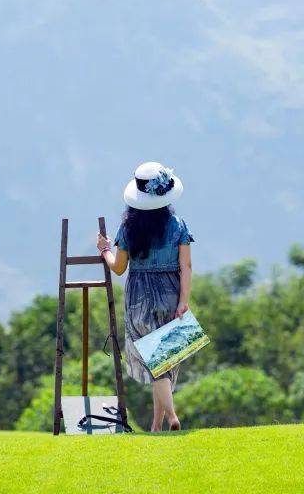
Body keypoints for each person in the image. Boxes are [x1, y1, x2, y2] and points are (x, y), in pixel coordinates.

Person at [97, 161, 194, 432]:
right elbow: (186, 266)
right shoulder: (178, 225)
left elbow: (118, 268)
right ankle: (156, 424)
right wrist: (183, 300)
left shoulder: (128, 229)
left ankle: (172, 416)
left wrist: (105, 249)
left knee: (155, 361)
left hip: (139, 296)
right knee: (164, 358)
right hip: (171, 291)